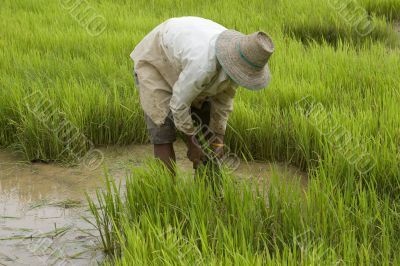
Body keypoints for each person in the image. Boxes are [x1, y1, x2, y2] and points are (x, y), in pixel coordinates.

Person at [130, 16, 274, 174]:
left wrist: (218, 142)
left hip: (184, 60)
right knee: (163, 130)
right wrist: (192, 144)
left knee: (207, 134)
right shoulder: (202, 65)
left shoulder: (238, 61)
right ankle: (167, 192)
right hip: (157, 59)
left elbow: (223, 104)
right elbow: (178, 105)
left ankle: (207, 189)